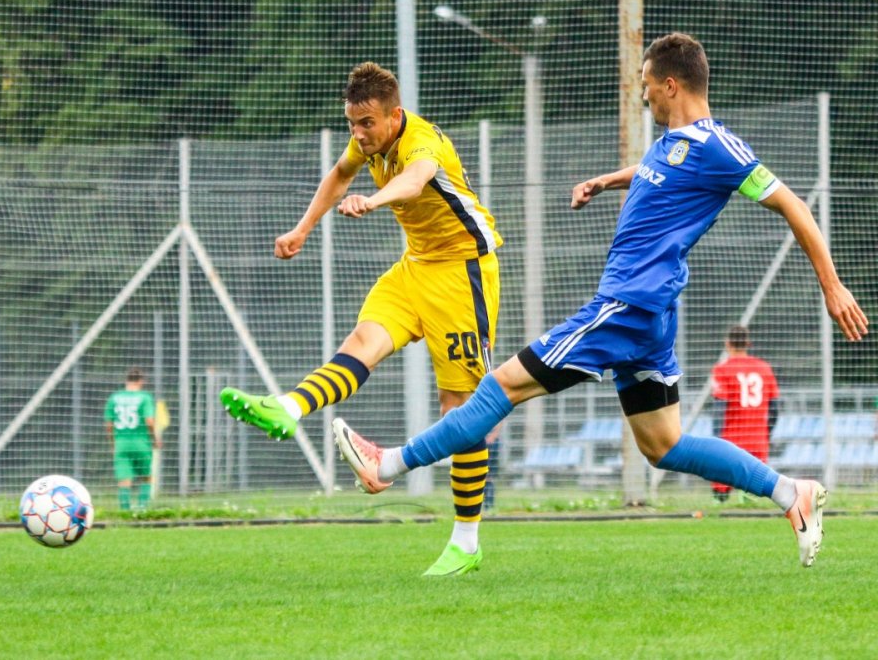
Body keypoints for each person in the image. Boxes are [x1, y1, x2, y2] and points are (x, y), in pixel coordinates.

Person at [333, 33, 869, 569]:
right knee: (664, 445)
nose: (643, 94)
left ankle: (388, 465)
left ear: (671, 85)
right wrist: (609, 181)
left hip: (626, 306)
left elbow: (793, 205)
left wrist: (833, 285)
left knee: (499, 386)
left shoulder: (717, 147)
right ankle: (790, 493)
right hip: (648, 316)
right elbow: (660, 173)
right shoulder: (674, 142)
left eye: (646, 84)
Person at [220, 61, 503, 576]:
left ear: (394, 115)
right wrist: (302, 229)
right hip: (414, 267)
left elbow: (415, 182)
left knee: (460, 408)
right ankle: (288, 407)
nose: (358, 133)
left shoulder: (422, 142)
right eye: (352, 123)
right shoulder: (369, 141)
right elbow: (339, 174)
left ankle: (466, 542)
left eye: (367, 123)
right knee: (362, 341)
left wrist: (372, 201)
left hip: (463, 273)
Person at [709, 325, 779, 501]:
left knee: (720, 496)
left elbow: (719, 408)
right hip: (757, 440)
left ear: (727, 343)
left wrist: (716, 438)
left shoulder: (722, 369)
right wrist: (766, 434)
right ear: (748, 343)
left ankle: (721, 502)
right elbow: (775, 409)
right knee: (752, 494)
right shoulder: (764, 368)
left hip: (731, 441)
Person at [104, 367, 160, 511]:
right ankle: (142, 508)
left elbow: (109, 424)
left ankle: (125, 511)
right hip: (141, 443)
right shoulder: (144, 397)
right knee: (147, 476)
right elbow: (149, 421)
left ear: (127, 380)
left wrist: (113, 443)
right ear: (141, 381)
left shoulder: (114, 398)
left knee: (124, 480)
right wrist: (155, 439)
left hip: (121, 444)